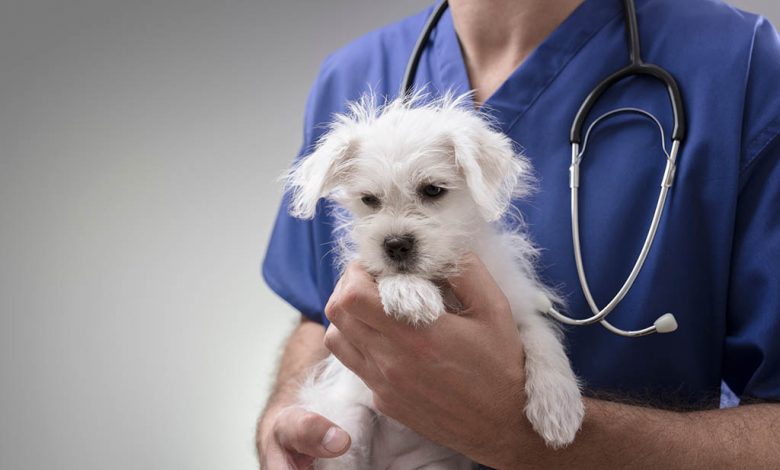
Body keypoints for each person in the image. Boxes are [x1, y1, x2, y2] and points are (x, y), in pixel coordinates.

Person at [257, 0, 780, 467]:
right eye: (371, 203)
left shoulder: (741, 63)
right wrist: (288, 421)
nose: (397, 230)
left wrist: (522, 437)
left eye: (432, 193)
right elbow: (318, 310)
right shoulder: (351, 76)